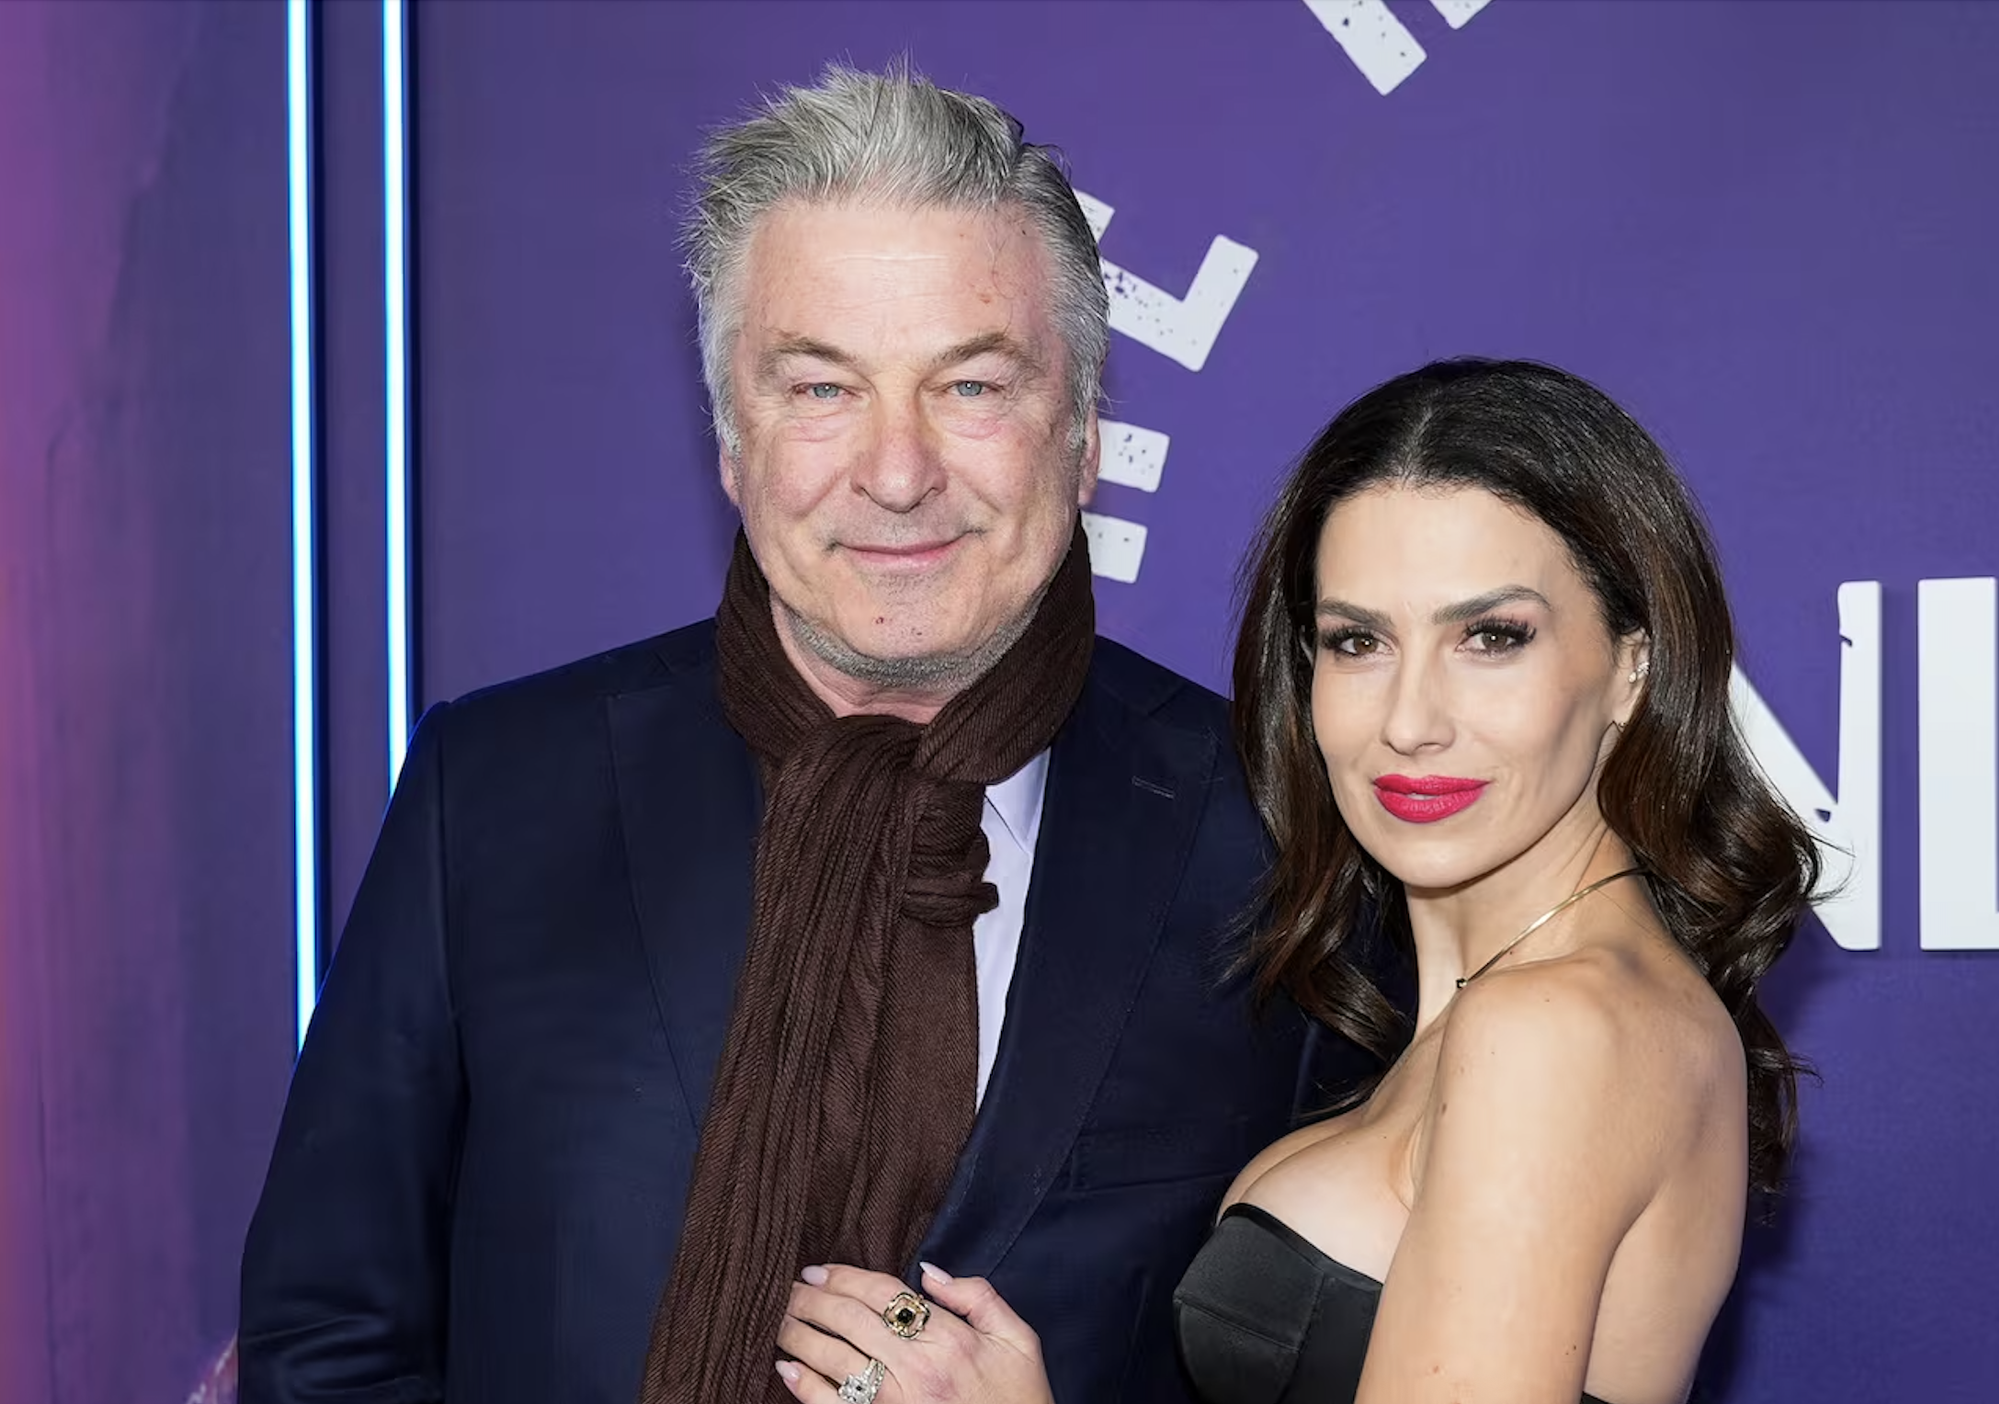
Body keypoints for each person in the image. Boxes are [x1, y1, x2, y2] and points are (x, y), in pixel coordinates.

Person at [238, 64, 1362, 1404]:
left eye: (972, 386)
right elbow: (329, 1341)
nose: (896, 474)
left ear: (1083, 441)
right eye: (821, 387)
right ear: (730, 438)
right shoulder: (497, 796)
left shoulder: (1276, 832)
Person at [1177, 358, 1822, 1403]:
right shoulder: (1525, 1006)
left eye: (1490, 638)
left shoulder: (1552, 1028)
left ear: (1632, 666)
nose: (1409, 720)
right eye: (1357, 642)